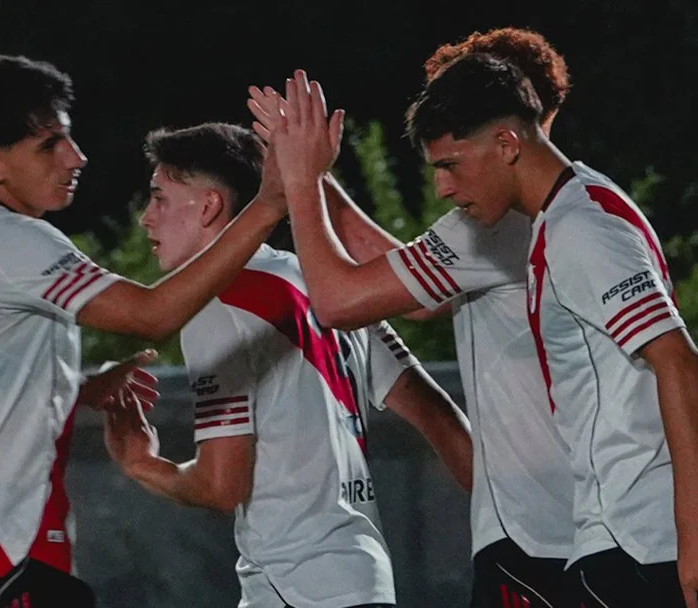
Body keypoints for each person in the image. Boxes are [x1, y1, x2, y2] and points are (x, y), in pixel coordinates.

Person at [0, 54, 286, 608]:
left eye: (68, 137)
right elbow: (152, 314)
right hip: (10, 563)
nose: (76, 156)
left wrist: (77, 387)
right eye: (49, 145)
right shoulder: (9, 240)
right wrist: (271, 203)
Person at [246, 29, 578, 608]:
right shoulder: (570, 206)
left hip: (544, 535)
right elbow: (411, 281)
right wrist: (318, 179)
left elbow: (341, 299)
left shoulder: (500, 224)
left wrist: (300, 180)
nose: (444, 180)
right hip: (572, 523)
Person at [399, 53, 698, 608]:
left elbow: (681, 363)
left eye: (452, 165)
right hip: (624, 537)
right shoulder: (572, 210)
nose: (442, 187)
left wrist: (692, 531)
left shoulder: (579, 228)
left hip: (638, 542)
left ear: (508, 144)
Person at [102, 121, 472, 608]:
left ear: (210, 205)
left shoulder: (216, 303)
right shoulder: (322, 283)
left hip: (297, 587)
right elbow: (437, 416)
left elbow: (221, 484)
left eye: (160, 198)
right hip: (364, 576)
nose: (147, 219)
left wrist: (141, 464)